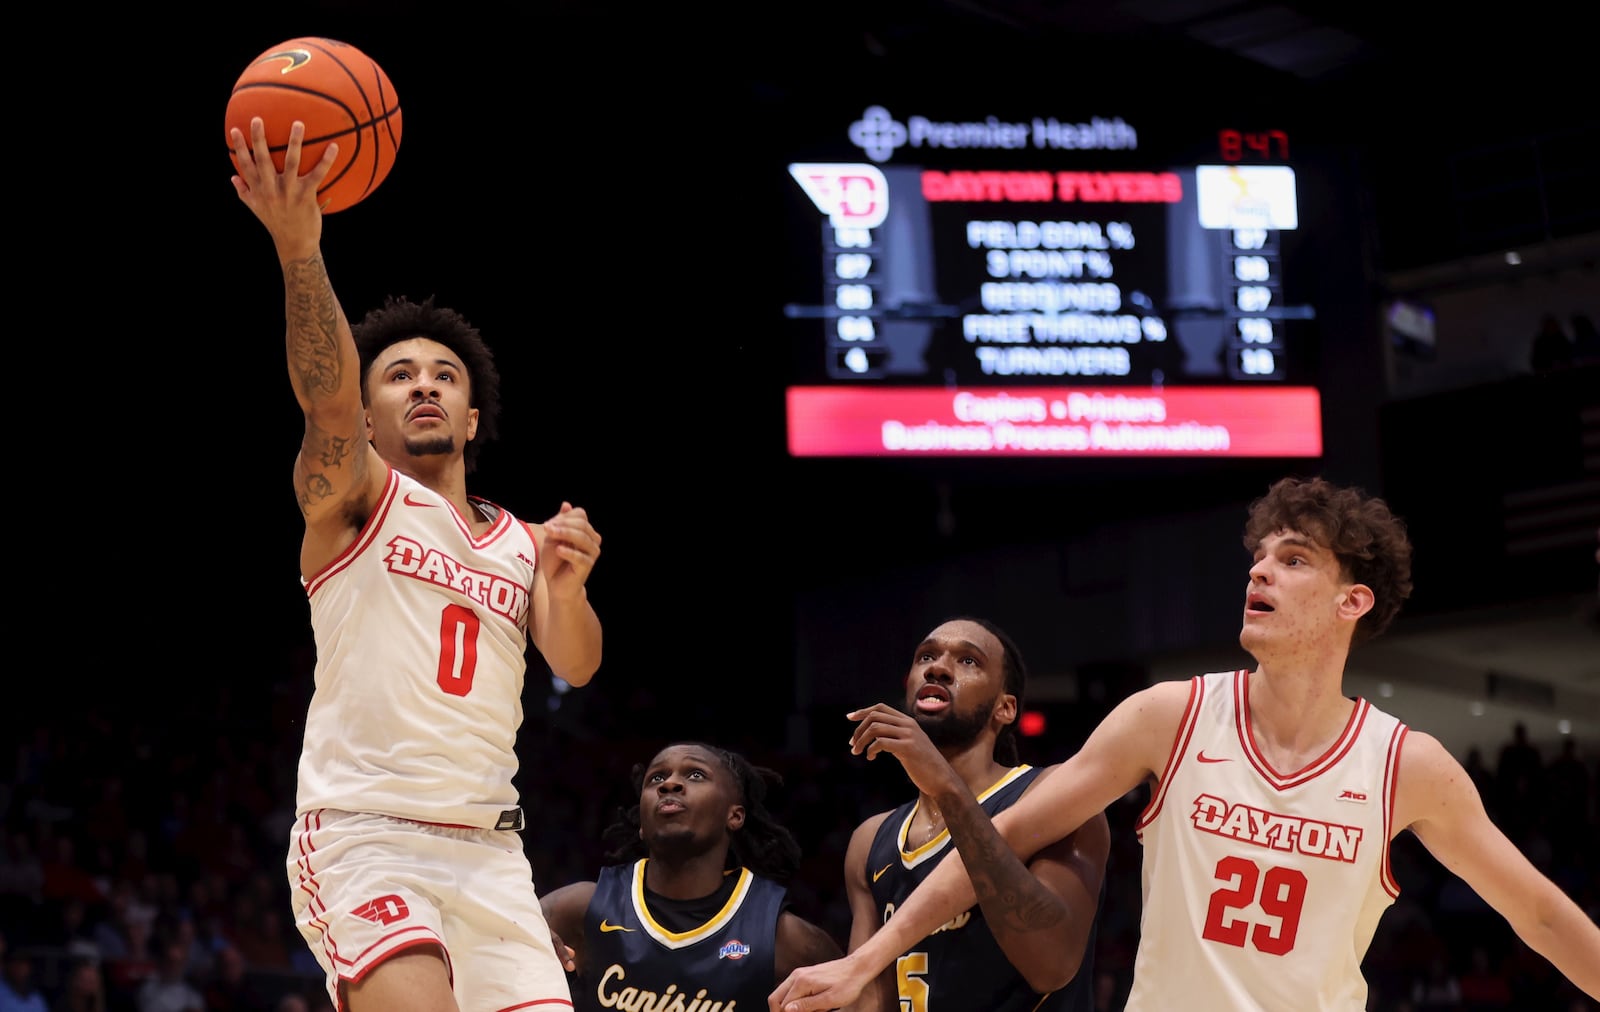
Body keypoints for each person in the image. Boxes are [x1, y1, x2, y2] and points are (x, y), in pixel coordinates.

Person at [771, 476, 1600, 1011]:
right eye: (1258, 557)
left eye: (1293, 560)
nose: (1259, 573)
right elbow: (998, 839)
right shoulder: (1170, 716)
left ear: (1352, 602)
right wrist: (867, 957)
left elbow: (1538, 912)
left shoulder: (1406, 764)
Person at [228, 117, 604, 1012]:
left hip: (490, 854)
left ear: (472, 418)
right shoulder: (355, 499)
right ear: (365, 414)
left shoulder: (522, 540)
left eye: (445, 375)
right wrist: (298, 250)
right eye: (397, 375)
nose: (425, 384)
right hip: (366, 837)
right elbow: (321, 396)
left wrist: (566, 583)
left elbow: (578, 665)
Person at [841, 616, 1108, 1011]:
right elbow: (863, 994)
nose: (937, 667)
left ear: (1005, 708)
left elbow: (1052, 965)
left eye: (968, 661)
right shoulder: (871, 839)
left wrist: (946, 787)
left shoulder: (1051, 796)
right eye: (926, 657)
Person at [539, 742, 843, 1012]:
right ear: (642, 824)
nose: (669, 783)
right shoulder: (579, 908)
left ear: (734, 815)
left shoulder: (785, 938)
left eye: (695, 775)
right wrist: (522, 934)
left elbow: (863, 999)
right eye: (657, 778)